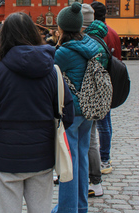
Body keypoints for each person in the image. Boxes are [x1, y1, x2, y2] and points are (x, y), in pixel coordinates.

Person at [0, 12, 75, 213]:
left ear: (4, 36)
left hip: (6, 156)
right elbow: (68, 114)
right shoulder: (52, 71)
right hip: (42, 155)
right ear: (34, 33)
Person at [51, 3, 99, 213]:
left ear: (62, 27)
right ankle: (80, 206)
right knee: (80, 158)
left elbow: (50, 70)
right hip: (88, 110)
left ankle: (67, 209)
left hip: (71, 113)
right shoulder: (90, 45)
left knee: (68, 162)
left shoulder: (64, 52)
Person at [81, 3, 109, 198]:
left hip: (85, 100)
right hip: (97, 97)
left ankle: (93, 181)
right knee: (91, 140)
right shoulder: (101, 37)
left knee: (88, 141)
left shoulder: (87, 41)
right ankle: (94, 181)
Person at [91, 1, 120, 174]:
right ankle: (105, 159)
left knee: (95, 126)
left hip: (95, 83)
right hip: (108, 83)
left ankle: (101, 159)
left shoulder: (92, 34)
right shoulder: (114, 33)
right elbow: (118, 62)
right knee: (105, 123)